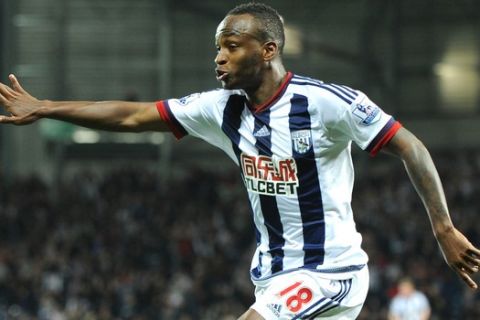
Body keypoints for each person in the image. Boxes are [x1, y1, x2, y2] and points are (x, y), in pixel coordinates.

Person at [0, 2, 479, 319]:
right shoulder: (221, 108)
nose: (219, 58)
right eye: (217, 48)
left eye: (232, 46)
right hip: (271, 277)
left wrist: (442, 227)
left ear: (268, 50)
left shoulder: (327, 103)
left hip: (330, 273)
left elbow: (409, 144)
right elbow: (132, 116)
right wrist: (46, 108)